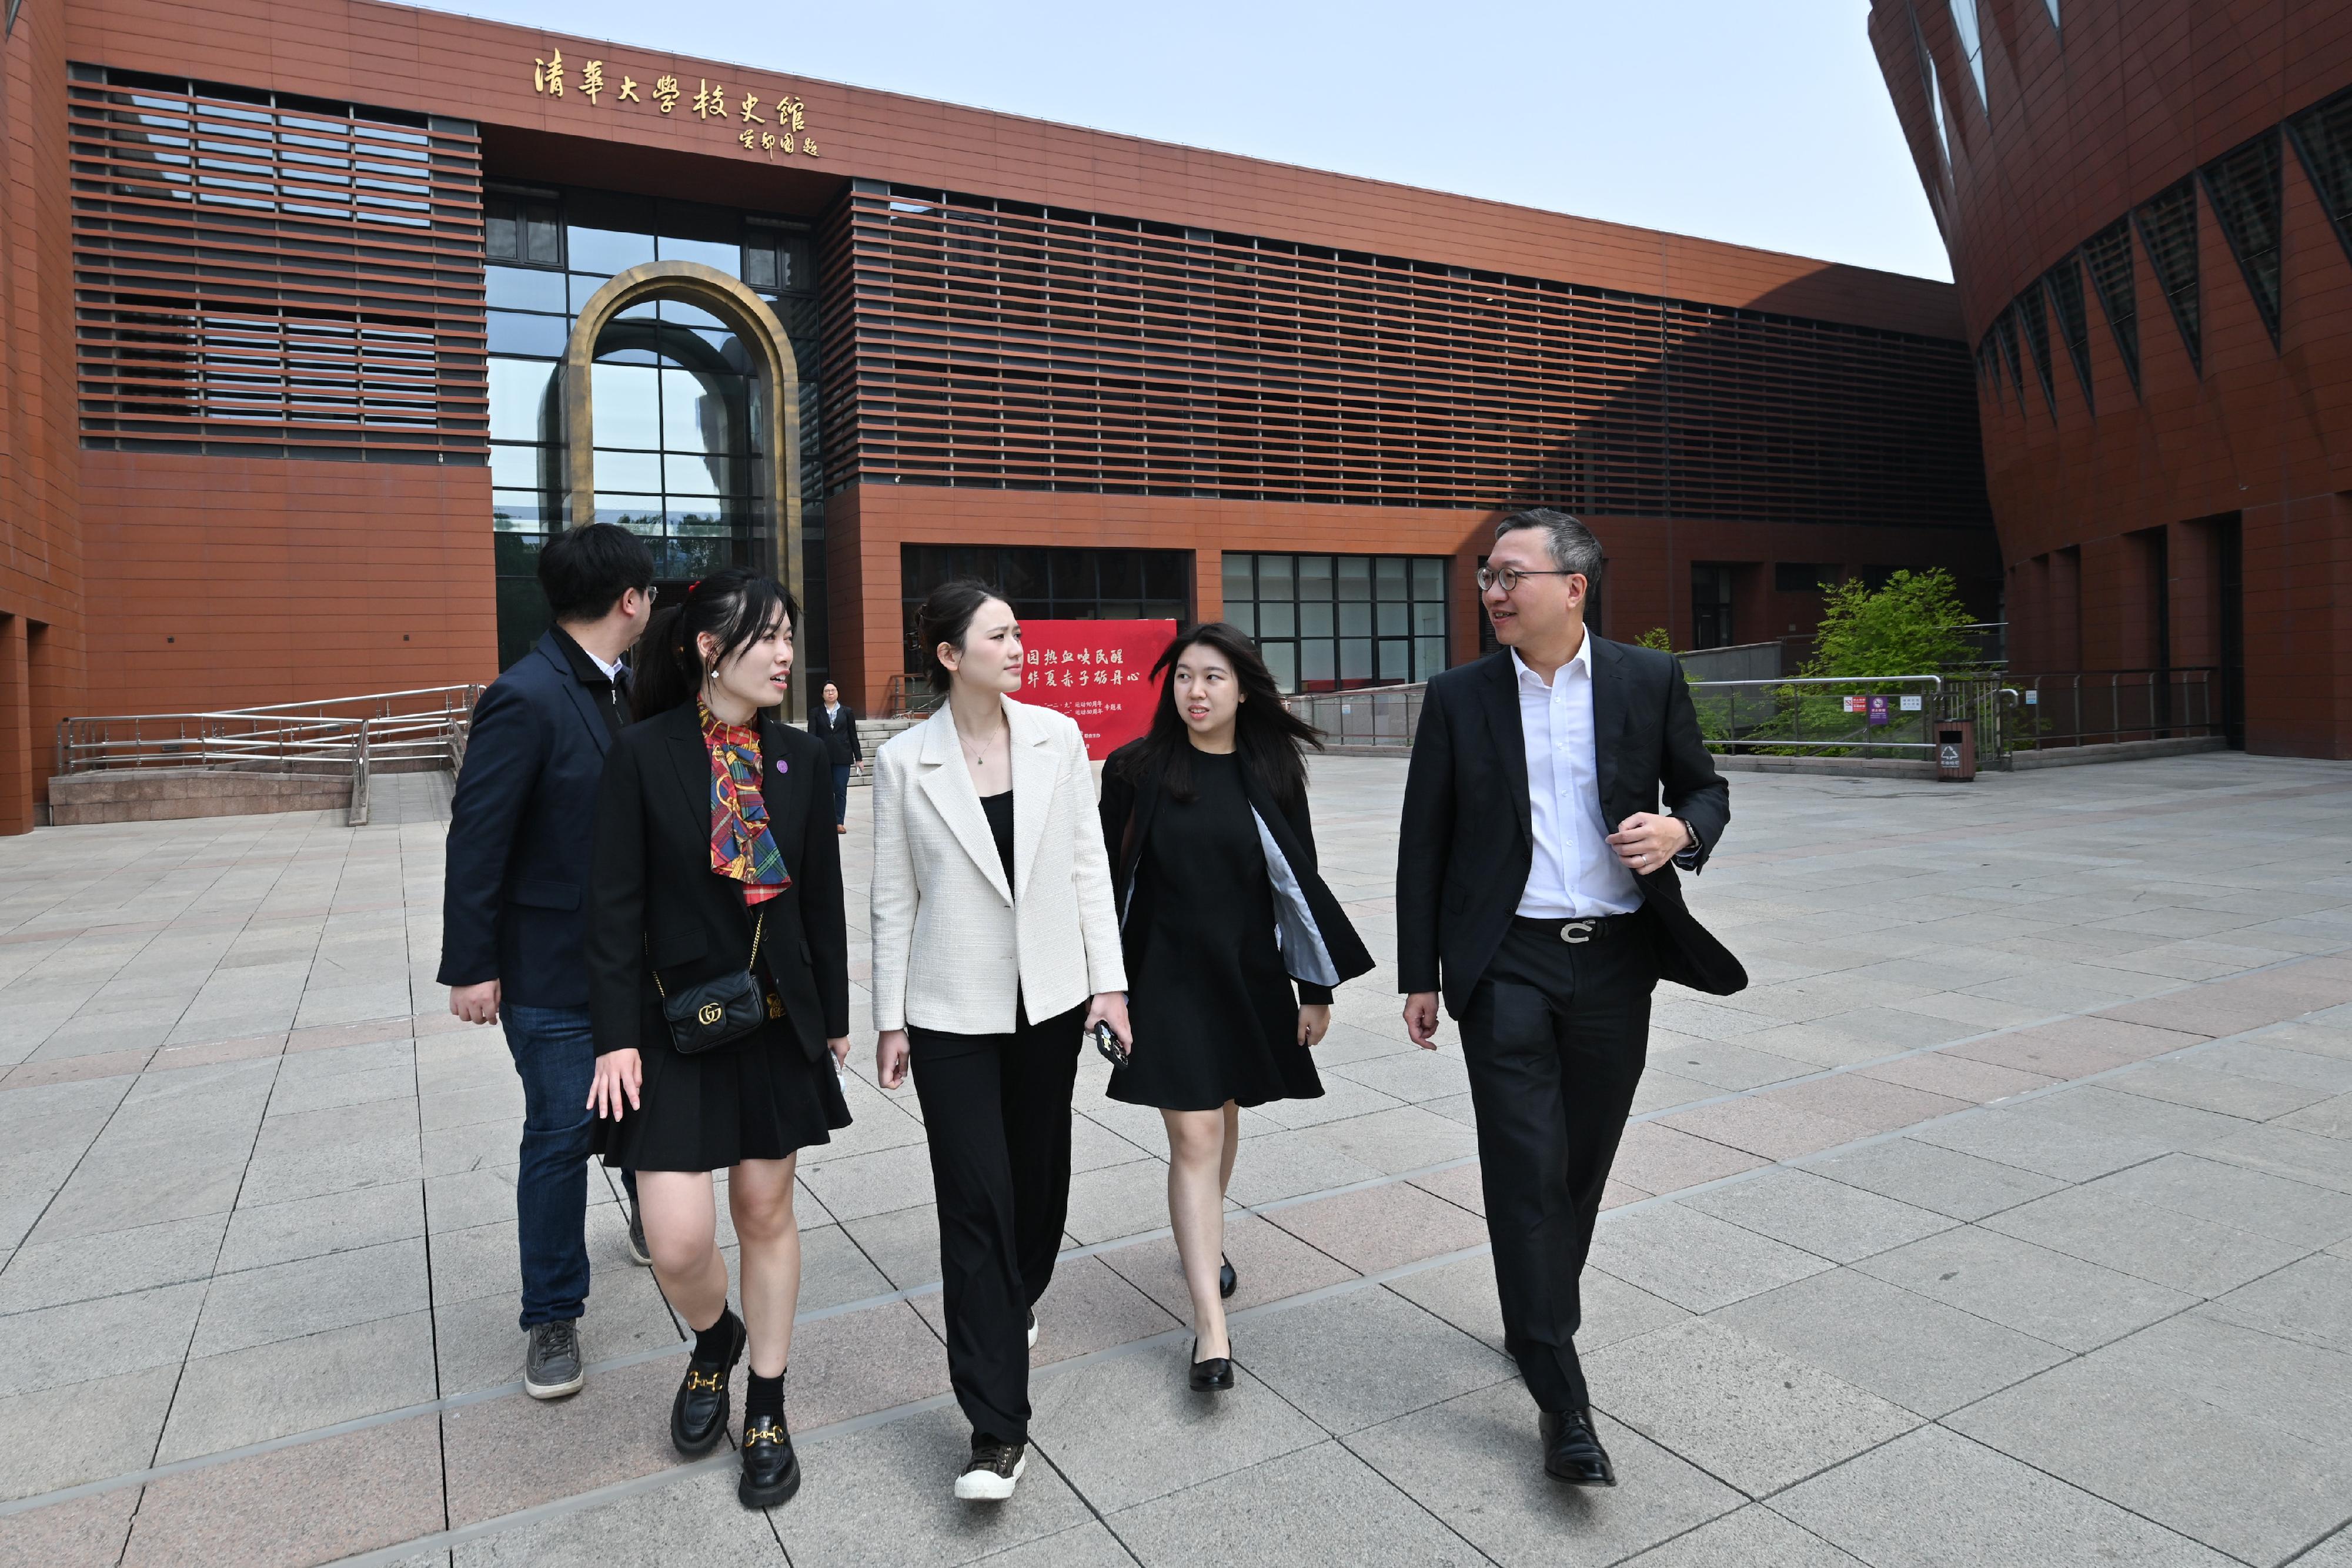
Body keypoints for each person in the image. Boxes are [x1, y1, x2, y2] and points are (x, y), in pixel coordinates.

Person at [1397, 509, 1744, 1489]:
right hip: (1504, 961)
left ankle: (1534, 1309)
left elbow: (1709, 790)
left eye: (1511, 574)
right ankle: (1563, 1396)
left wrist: (1681, 832)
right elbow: (1425, 837)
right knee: (1522, 1168)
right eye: (1486, 577)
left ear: (1574, 585)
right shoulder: (1461, 696)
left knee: (1578, 1167)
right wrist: (1421, 972)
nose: (1494, 592)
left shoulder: (1646, 678)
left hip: (1616, 960)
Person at [584, 567, 853, 1512]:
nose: (786, 652)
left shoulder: (802, 757)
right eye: (766, 634)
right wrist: (613, 1039)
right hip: (668, 1028)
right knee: (677, 1237)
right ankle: (714, 1338)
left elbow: (821, 897)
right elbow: (611, 910)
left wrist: (837, 1017)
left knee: (763, 1210)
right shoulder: (640, 753)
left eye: (790, 633)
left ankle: (767, 1404)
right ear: (708, 646)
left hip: (775, 1019)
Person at [868, 579, 1129, 1502]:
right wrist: (890, 1015)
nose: (1020, 644)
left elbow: (1087, 863)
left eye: (1019, 630)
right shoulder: (904, 762)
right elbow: (894, 897)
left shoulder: (1058, 737)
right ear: (950, 654)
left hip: (1051, 998)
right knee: (973, 1202)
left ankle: (1015, 1298)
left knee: (1040, 1181)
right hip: (949, 1009)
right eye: (1000, 634)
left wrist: (1111, 982)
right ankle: (995, 1428)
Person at [1098, 624, 1372, 1391]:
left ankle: (1204, 1235)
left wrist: (1314, 988)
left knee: (1223, 1110)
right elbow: (1103, 885)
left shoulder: (1274, 768)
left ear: (1243, 688)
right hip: (1163, 976)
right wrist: (1103, 987)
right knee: (1193, 1129)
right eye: (1183, 676)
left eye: (1213, 677)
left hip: (1245, 972)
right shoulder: (1137, 769)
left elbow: (1302, 885)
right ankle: (1210, 1331)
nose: (1196, 691)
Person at [436, 523, 656, 1403]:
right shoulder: (526, 694)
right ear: (630, 600)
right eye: (651, 593)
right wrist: (472, 964)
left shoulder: (623, 690)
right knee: (563, 1131)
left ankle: (651, 1206)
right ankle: (552, 1313)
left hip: (633, 961)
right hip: (554, 968)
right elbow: (477, 835)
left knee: (644, 1102)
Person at [806, 680, 862, 834]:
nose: (831, 693)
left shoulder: (847, 712)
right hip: (823, 757)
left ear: (837, 693)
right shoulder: (815, 713)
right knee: (823, 791)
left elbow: (853, 735)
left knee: (840, 790)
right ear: (822, 695)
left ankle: (839, 822)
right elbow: (812, 736)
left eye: (833, 690)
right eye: (827, 691)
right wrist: (811, 757)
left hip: (843, 757)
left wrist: (859, 758)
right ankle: (825, 821)